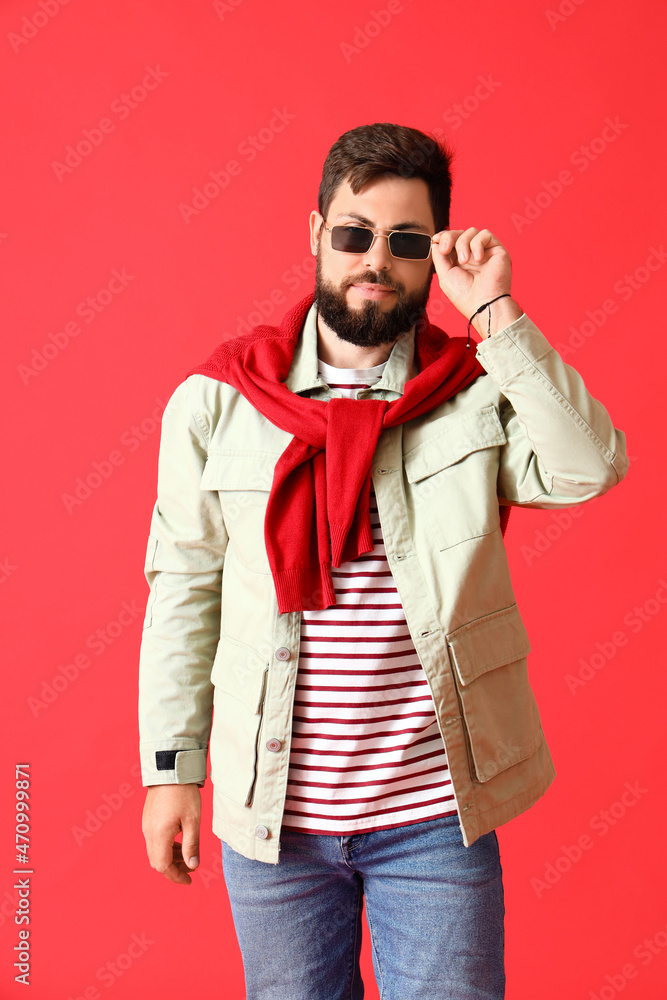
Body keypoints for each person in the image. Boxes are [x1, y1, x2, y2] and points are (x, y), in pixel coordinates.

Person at [139, 122, 628, 999]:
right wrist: (170, 773)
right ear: (316, 234)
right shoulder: (219, 400)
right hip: (273, 820)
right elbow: (184, 591)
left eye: (406, 243)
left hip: (435, 816)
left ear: (431, 252)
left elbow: (588, 466)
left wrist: (496, 315)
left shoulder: (471, 394)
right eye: (354, 234)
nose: (376, 261)